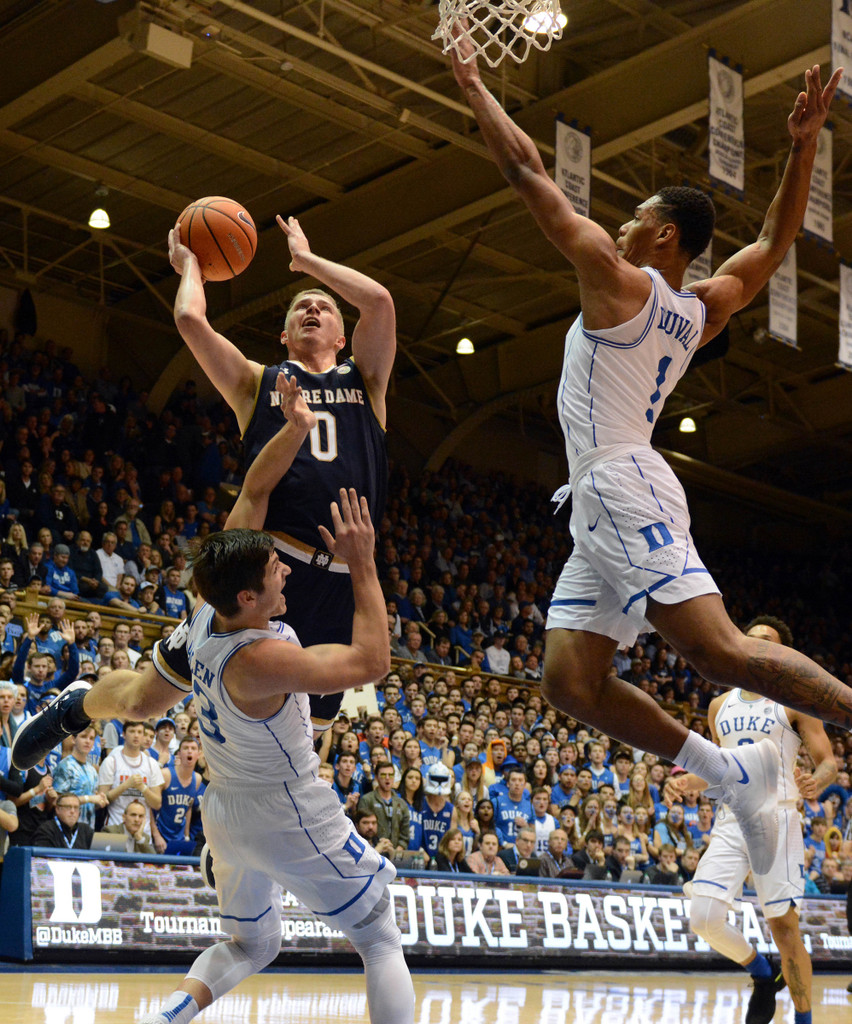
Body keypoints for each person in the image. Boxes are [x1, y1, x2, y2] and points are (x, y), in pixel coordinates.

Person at [449, 40, 850, 871]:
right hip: (613, 490)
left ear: (663, 235)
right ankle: (726, 773)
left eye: (636, 215)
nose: (622, 222)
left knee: (722, 653)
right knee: (570, 681)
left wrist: (472, 85)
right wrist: (803, 145)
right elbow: (773, 247)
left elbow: (528, 172)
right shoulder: (701, 307)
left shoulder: (617, 278)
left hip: (621, 483)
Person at [13, 380, 414, 1024]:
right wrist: (363, 565)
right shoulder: (264, 657)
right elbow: (373, 663)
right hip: (284, 808)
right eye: (276, 570)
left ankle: (170, 1014)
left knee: (253, 943)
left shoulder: (209, 614)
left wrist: (293, 430)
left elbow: (254, 493)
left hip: (226, 812)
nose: (286, 567)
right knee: (378, 934)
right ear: (251, 599)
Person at [168, 213, 395, 731]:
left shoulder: (368, 380)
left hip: (342, 579)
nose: (312, 308)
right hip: (268, 571)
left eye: (324, 307)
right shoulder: (258, 383)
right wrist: (190, 267)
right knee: (158, 691)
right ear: (284, 334)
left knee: (307, 736)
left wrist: (307, 262)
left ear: (342, 335)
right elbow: (190, 322)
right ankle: (72, 709)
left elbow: (380, 302)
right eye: (300, 306)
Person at [677, 616, 835, 1024]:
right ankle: (763, 975)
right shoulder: (719, 706)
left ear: (782, 655)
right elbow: (719, 766)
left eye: (768, 642)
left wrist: (815, 781)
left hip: (778, 818)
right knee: (704, 918)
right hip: (731, 819)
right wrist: (683, 783)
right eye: (751, 640)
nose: (758, 646)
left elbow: (828, 762)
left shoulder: (794, 702)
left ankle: (803, 1020)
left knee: (785, 930)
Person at [151, 736, 205, 856]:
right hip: (161, 836)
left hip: (179, 839)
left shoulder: (197, 779)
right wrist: (156, 835)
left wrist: (186, 835)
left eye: (193, 748)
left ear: (198, 754)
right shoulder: (166, 775)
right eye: (186, 748)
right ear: (179, 754)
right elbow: (149, 806)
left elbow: (188, 807)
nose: (190, 751)